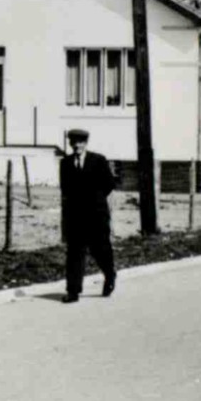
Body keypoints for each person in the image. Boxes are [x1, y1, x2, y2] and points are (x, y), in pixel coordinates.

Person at [58, 128, 117, 302]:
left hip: (96, 215)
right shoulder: (65, 163)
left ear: (86, 143)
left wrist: (96, 200)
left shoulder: (98, 160)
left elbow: (109, 184)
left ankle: (110, 275)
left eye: (80, 142)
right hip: (75, 217)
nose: (77, 145)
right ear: (70, 144)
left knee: (101, 250)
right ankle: (73, 291)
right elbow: (65, 191)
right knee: (74, 253)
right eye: (74, 142)